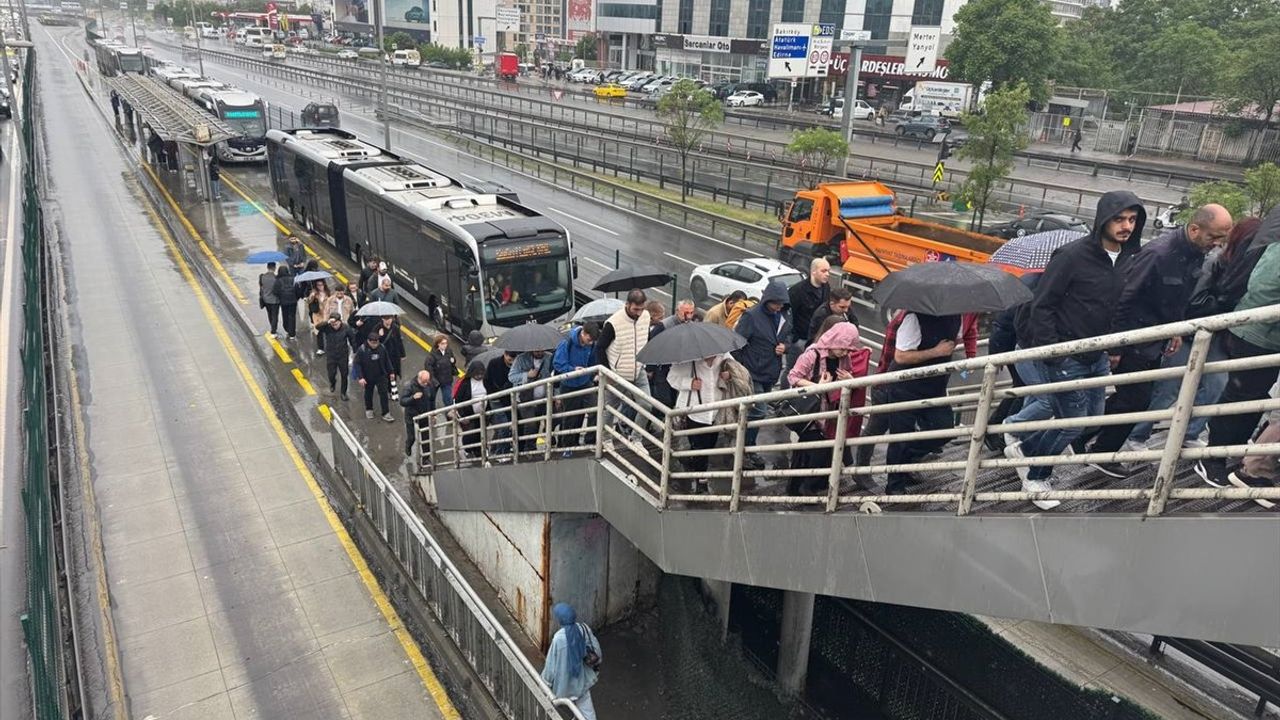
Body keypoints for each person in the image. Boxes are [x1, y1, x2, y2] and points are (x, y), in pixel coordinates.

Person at [1005, 190, 1145, 509]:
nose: (1126, 226)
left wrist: (1114, 343)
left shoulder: (1127, 259)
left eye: (1133, 220)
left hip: (1096, 353)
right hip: (1066, 355)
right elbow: (1042, 306)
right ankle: (1036, 476)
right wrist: (1054, 352)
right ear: (1103, 221)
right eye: (1119, 219)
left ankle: (1026, 447)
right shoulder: (1071, 256)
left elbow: (1114, 306)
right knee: (1072, 423)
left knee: (1093, 418)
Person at [1076, 204, 1231, 477]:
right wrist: (1116, 346)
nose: (1218, 244)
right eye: (1214, 237)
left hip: (1155, 338)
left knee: (1134, 398)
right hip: (1136, 337)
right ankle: (1091, 444)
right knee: (1135, 398)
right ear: (1195, 229)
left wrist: (1175, 329)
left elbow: (1177, 298)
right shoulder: (1159, 253)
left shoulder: (1195, 253)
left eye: (1222, 238)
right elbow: (1126, 299)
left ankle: (1086, 441)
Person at [1130, 217, 1264, 449]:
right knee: (1168, 388)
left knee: (1217, 385)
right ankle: (1138, 434)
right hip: (1191, 332)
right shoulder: (1216, 261)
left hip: (1218, 336)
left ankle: (1189, 433)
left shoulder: (1251, 269)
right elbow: (1194, 301)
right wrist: (1226, 302)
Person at [1196, 213, 1280, 494]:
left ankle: (1232, 450)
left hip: (1270, 338)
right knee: (1239, 394)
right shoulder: (1277, 246)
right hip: (1254, 332)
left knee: (1254, 398)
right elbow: (1262, 287)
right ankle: (1211, 458)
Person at [856, 310, 978, 471]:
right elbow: (897, 356)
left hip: (919, 384)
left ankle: (906, 463)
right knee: (878, 427)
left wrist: (971, 355)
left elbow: (970, 331)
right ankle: (860, 469)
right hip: (889, 382)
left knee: (915, 431)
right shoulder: (909, 316)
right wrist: (937, 351)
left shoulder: (960, 314)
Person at [787, 322, 871, 494]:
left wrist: (849, 379)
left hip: (830, 412)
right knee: (814, 451)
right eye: (844, 348)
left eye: (849, 350)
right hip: (811, 411)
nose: (846, 352)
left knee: (821, 451)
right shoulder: (812, 354)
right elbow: (793, 376)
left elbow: (849, 380)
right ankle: (805, 488)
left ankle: (808, 487)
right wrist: (818, 386)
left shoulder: (844, 358)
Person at [733, 280, 791, 448]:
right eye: (776, 303)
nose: (779, 306)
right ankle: (743, 442)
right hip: (753, 371)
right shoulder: (751, 316)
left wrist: (785, 347)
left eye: (781, 303)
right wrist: (742, 367)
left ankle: (746, 444)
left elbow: (788, 336)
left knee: (756, 413)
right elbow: (737, 343)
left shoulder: (784, 315)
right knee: (759, 411)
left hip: (771, 371)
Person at [668, 353, 732, 493]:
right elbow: (671, 378)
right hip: (696, 413)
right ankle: (701, 482)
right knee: (701, 450)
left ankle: (691, 460)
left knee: (709, 445)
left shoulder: (724, 356)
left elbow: (735, 369)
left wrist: (728, 375)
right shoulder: (687, 360)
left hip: (716, 412)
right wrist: (689, 383)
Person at [596, 290, 653, 432]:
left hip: (638, 370)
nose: (639, 313)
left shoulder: (645, 317)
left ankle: (636, 438)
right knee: (609, 409)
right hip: (617, 374)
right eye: (635, 309)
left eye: (641, 309)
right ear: (627, 304)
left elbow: (647, 340)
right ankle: (605, 439)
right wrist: (608, 373)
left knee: (647, 405)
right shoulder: (613, 323)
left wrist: (647, 364)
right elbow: (599, 347)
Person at [542, 603, 601, 720]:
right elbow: (596, 649)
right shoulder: (583, 628)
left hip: (564, 684)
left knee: (550, 708)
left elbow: (551, 667)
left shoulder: (558, 639)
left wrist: (544, 683)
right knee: (587, 713)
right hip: (581, 680)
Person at [553, 322, 600, 455]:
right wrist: (572, 369)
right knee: (571, 417)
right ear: (583, 333)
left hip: (585, 382)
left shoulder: (592, 345)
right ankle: (567, 445)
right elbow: (558, 363)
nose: (590, 343)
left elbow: (592, 360)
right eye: (588, 340)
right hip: (569, 385)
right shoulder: (566, 342)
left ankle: (590, 440)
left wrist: (591, 374)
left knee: (595, 410)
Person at [786, 258, 832, 384]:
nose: (827, 274)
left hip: (817, 340)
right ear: (813, 272)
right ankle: (781, 399)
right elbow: (789, 316)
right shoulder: (797, 291)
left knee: (812, 372)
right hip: (801, 339)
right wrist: (793, 339)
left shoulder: (826, 288)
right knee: (792, 371)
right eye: (823, 271)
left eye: (828, 271)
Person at [508, 348, 554, 452]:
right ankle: (529, 448)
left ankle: (531, 446)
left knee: (537, 423)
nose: (540, 353)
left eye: (541, 350)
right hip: (525, 397)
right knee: (531, 423)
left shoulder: (549, 357)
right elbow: (511, 377)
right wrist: (527, 375)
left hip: (543, 397)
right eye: (537, 351)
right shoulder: (521, 359)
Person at [351, 334, 396, 421]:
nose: (375, 345)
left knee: (383, 394)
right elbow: (357, 364)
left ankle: (386, 413)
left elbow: (387, 360)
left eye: (376, 343)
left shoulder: (382, 348)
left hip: (381, 375)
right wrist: (360, 377)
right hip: (368, 376)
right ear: (368, 341)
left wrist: (391, 371)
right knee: (368, 393)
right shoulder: (362, 350)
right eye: (373, 343)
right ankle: (369, 409)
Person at [452, 360, 490, 458]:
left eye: (481, 374)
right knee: (470, 434)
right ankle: (468, 450)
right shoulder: (465, 383)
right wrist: (461, 416)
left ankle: (478, 450)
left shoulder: (486, 380)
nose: (479, 377)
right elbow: (458, 399)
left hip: (483, 413)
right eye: (477, 375)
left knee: (481, 432)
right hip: (469, 414)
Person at [315, 313, 355, 399]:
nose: (335, 326)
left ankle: (343, 393)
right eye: (333, 324)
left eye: (336, 324)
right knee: (331, 373)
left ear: (340, 321)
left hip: (343, 355)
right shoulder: (327, 327)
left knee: (344, 374)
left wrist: (354, 351)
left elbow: (352, 339)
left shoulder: (346, 328)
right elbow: (317, 327)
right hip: (331, 355)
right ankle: (332, 382)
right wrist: (327, 322)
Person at [486, 351, 517, 456]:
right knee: (504, 425)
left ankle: (495, 450)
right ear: (505, 354)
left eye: (513, 357)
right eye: (510, 356)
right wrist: (493, 394)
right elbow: (487, 381)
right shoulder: (494, 363)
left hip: (509, 399)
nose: (511, 359)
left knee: (505, 425)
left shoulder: (516, 364)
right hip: (496, 399)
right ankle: (501, 452)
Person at [400, 370, 435, 458]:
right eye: (424, 382)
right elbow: (402, 401)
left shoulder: (429, 385)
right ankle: (408, 446)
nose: (426, 384)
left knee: (426, 438)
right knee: (411, 437)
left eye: (427, 381)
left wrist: (433, 414)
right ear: (419, 379)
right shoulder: (410, 386)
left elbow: (432, 400)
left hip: (424, 414)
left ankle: (426, 458)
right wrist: (413, 398)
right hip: (411, 415)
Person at [426, 335, 458, 406]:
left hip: (446, 380)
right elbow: (429, 369)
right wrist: (434, 381)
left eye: (446, 343)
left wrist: (453, 361)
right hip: (436, 381)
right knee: (431, 398)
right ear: (437, 344)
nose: (445, 345)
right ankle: (432, 414)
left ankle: (449, 414)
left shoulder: (449, 351)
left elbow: (453, 360)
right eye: (442, 343)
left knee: (448, 399)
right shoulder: (432, 356)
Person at [273, 263, 299, 340]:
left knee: (285, 315)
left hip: (284, 301)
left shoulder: (278, 280)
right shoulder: (293, 279)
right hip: (293, 301)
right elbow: (297, 289)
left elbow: (275, 291)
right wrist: (296, 297)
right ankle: (292, 333)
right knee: (292, 316)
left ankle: (287, 328)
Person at [307, 281, 331, 353]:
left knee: (328, 331)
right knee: (319, 331)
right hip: (317, 315)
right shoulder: (313, 294)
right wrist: (312, 296)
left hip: (327, 315)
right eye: (318, 285)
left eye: (321, 285)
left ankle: (329, 346)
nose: (320, 286)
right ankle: (321, 348)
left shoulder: (328, 293)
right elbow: (308, 302)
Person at [258, 261, 281, 336]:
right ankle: (273, 331)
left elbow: (261, 287)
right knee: (275, 316)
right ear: (274, 268)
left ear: (267, 267)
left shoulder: (262, 276)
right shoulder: (276, 278)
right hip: (275, 300)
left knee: (270, 314)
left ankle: (272, 327)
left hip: (266, 299)